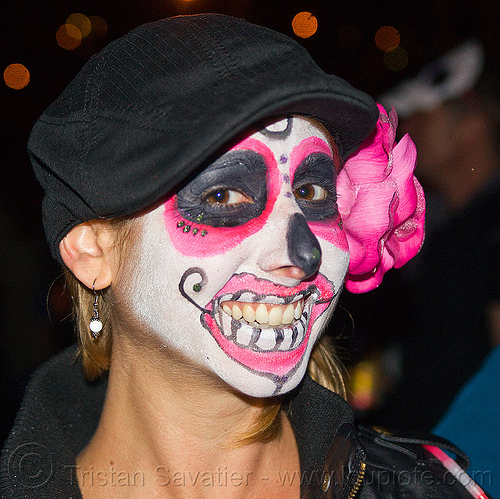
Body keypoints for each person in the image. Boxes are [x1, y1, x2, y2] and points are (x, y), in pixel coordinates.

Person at [0, 14, 488, 498]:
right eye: (223, 198)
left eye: (314, 190)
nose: (302, 252)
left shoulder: (430, 489)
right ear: (91, 253)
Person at [374, 40, 500, 432]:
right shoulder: (454, 229)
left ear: (474, 121)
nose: (408, 130)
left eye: (423, 116)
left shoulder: (493, 229)